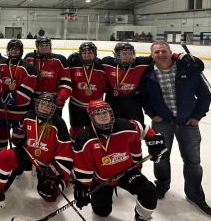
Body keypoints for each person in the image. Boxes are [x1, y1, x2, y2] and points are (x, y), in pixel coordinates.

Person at [140, 40, 211, 215]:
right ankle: (162, 186)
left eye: (163, 51)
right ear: (152, 55)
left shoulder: (187, 69)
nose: (160, 54)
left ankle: (195, 194)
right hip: (162, 122)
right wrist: (152, 114)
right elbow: (143, 97)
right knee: (161, 157)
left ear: (170, 52)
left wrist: (197, 116)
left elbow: (204, 94)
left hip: (187, 123)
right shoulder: (148, 73)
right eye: (156, 52)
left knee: (193, 161)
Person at [73, 100, 168, 221]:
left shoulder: (124, 126)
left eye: (105, 112)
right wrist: (82, 186)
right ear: (91, 117)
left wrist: (155, 140)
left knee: (148, 191)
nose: (103, 116)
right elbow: (82, 165)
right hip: (102, 179)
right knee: (101, 212)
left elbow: (143, 129)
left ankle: (142, 218)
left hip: (127, 172)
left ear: (111, 113)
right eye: (98, 114)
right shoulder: (84, 137)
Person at [0, 93, 72, 211]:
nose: (44, 107)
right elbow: (21, 134)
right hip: (27, 156)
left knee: (49, 196)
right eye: (42, 104)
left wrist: (60, 181)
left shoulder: (59, 124)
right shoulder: (28, 116)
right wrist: (17, 136)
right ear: (37, 104)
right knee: (4, 156)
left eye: (48, 106)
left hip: (46, 166)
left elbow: (65, 156)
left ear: (53, 108)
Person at [101, 42, 203, 123]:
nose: (128, 56)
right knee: (111, 127)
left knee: (136, 128)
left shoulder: (141, 62)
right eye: (124, 54)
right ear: (116, 55)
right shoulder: (107, 62)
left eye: (130, 53)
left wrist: (182, 57)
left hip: (133, 101)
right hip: (112, 101)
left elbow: (160, 55)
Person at [0, 39, 36, 153]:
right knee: (1, 137)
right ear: (8, 50)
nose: (14, 51)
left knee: (19, 138)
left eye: (16, 49)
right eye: (12, 49)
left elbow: (27, 92)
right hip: (1, 111)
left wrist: (5, 98)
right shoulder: (0, 65)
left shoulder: (28, 67)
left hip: (20, 113)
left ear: (21, 51)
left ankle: (17, 161)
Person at [67, 42, 106, 142]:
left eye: (90, 53)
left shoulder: (101, 68)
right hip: (76, 105)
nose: (87, 55)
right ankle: (74, 148)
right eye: (84, 53)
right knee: (76, 129)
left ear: (95, 54)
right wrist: (68, 62)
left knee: (94, 130)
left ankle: (92, 149)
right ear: (80, 54)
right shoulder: (73, 66)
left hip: (95, 107)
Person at [24, 36, 71, 116]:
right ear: (37, 47)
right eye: (41, 45)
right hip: (32, 100)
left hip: (52, 101)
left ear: (50, 46)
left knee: (53, 126)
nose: (44, 47)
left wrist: (60, 99)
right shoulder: (29, 58)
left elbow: (66, 83)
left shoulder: (59, 60)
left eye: (47, 45)